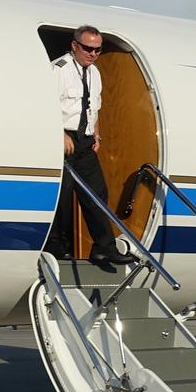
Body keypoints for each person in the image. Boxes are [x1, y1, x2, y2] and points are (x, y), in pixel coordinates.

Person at [45, 24, 129, 270]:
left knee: (97, 193)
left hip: (85, 140)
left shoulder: (95, 73)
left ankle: (104, 248)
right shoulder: (58, 70)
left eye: (97, 49)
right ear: (74, 46)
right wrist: (60, 133)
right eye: (88, 48)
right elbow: (45, 105)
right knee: (62, 200)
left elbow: (94, 107)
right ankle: (57, 248)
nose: (92, 54)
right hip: (63, 140)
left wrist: (97, 135)